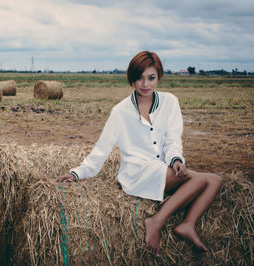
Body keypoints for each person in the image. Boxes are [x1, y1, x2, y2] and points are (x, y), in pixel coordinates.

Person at [56, 51, 222, 256]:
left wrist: (176, 159)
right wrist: (77, 173)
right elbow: (101, 150)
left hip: (162, 168)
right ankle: (155, 221)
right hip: (137, 173)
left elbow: (172, 139)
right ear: (131, 79)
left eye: (151, 78)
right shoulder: (120, 111)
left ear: (159, 77)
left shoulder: (170, 102)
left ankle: (188, 224)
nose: (145, 84)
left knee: (214, 180)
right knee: (200, 180)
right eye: (139, 78)